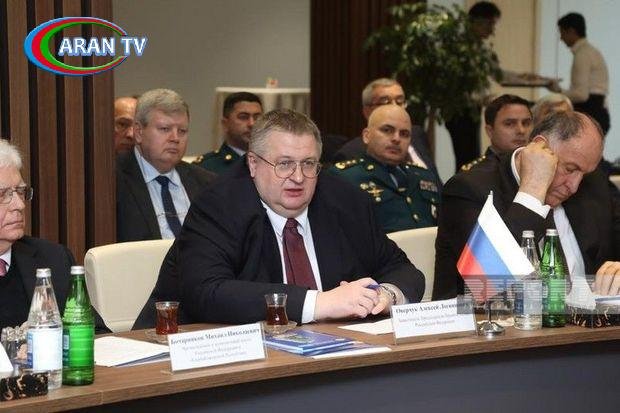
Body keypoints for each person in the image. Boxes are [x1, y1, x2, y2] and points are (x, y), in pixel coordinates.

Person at [134, 109, 424, 328]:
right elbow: (207, 292)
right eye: (284, 164)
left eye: (308, 164)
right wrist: (318, 303)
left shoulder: (345, 201)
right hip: (185, 355)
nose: (298, 177)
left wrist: (386, 295)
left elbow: (402, 268)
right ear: (253, 164)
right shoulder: (219, 205)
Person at [433, 111, 620, 300]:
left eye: (584, 175)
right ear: (540, 148)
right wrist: (533, 191)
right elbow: (486, 285)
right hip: (489, 316)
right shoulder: (469, 189)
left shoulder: (593, 183)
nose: (574, 186)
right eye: (569, 169)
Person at [0, 139, 107, 332]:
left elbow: (95, 332)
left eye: (20, 192)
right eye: (3, 195)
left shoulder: (52, 259)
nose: (20, 205)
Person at [116, 88, 215, 242]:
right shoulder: (111, 181)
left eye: (182, 131)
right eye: (165, 129)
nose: (175, 138)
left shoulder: (207, 183)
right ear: (139, 132)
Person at [330, 105, 440, 233]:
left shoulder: (424, 176)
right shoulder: (345, 177)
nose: (396, 139)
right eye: (387, 130)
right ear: (366, 136)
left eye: (404, 134)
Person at [332, 78, 440, 183]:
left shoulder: (417, 134)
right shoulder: (350, 152)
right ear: (367, 111)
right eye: (385, 102)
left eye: (399, 101)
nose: (395, 107)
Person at [445, 1, 501, 172]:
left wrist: (525, 77)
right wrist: (482, 98)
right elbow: (455, 85)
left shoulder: (481, 48)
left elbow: (497, 73)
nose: (492, 30)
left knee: (472, 157)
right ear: (477, 22)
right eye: (490, 24)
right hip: (459, 112)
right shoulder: (459, 48)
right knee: (466, 158)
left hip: (473, 110)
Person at [548, 13, 609, 135]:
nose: (561, 38)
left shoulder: (582, 55)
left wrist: (558, 91)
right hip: (598, 111)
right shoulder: (592, 51)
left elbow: (581, 95)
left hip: (589, 112)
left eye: (562, 33)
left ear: (571, 31)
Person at [193, 92, 263, 174]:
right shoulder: (205, 168)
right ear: (225, 124)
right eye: (243, 117)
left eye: (257, 118)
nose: (252, 124)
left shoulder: (270, 162)